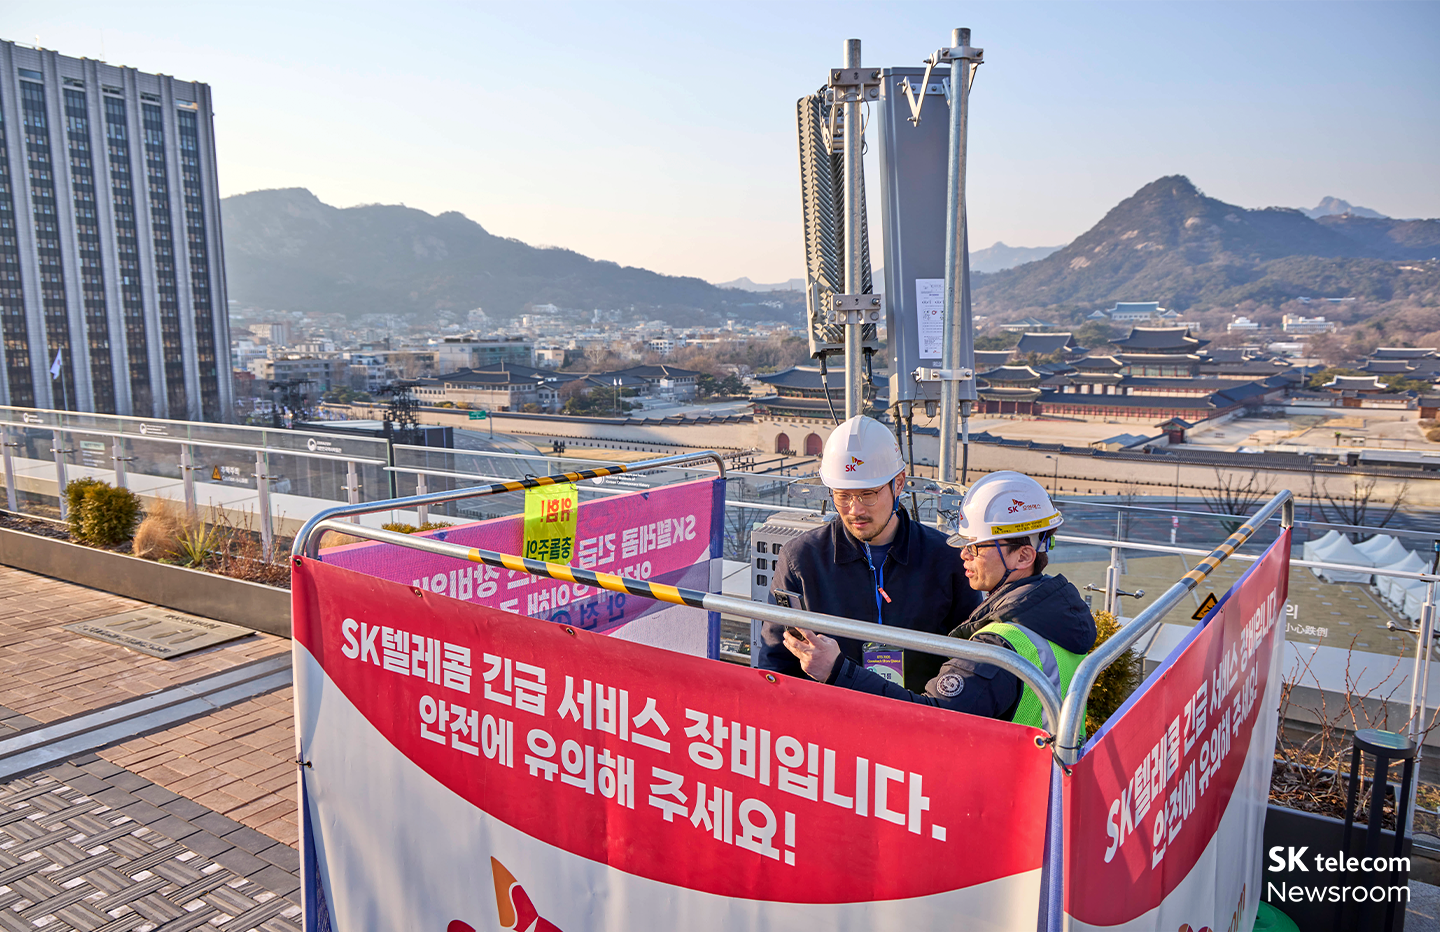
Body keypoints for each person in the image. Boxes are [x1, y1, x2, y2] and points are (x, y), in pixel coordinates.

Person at [782, 470, 1096, 728]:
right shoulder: (1056, 616)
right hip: (1046, 783)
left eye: (975, 547)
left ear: (1023, 555)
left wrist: (836, 669)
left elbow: (929, 718)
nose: (963, 555)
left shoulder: (998, 649)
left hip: (1003, 791)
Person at [756, 415, 981, 693]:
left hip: (918, 715)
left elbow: (970, 659)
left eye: (868, 494)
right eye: (843, 496)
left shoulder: (946, 559)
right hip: (831, 718)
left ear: (898, 484)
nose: (855, 509)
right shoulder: (802, 559)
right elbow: (776, 663)